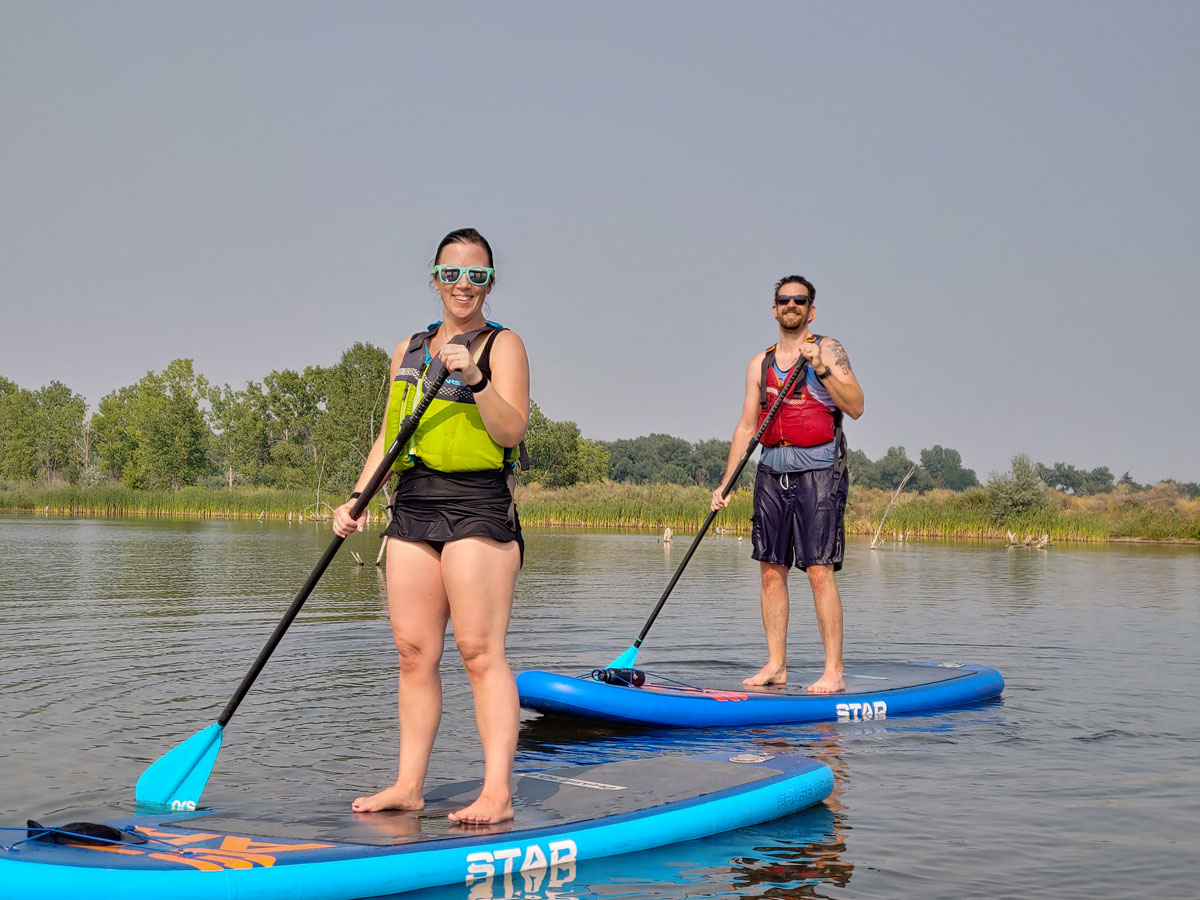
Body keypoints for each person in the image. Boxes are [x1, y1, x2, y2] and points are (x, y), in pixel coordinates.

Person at [332, 228, 530, 824]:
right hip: (413, 505)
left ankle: (497, 792)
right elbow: (390, 437)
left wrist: (474, 376)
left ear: (490, 283)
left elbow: (511, 430)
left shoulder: (505, 346)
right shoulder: (409, 349)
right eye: (451, 274)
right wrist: (357, 499)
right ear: (435, 278)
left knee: (478, 650)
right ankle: (408, 785)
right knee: (414, 653)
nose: (462, 285)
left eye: (475, 275)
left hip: (479, 505)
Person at [711, 275, 863, 693]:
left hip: (819, 472)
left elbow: (856, 406)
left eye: (800, 300)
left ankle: (834, 670)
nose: (791, 305)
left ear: (811, 309)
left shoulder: (829, 350)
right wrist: (725, 484)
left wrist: (821, 368)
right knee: (770, 572)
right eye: (784, 300)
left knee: (818, 569)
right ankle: (776, 664)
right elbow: (746, 426)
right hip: (770, 472)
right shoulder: (759, 363)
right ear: (774, 309)